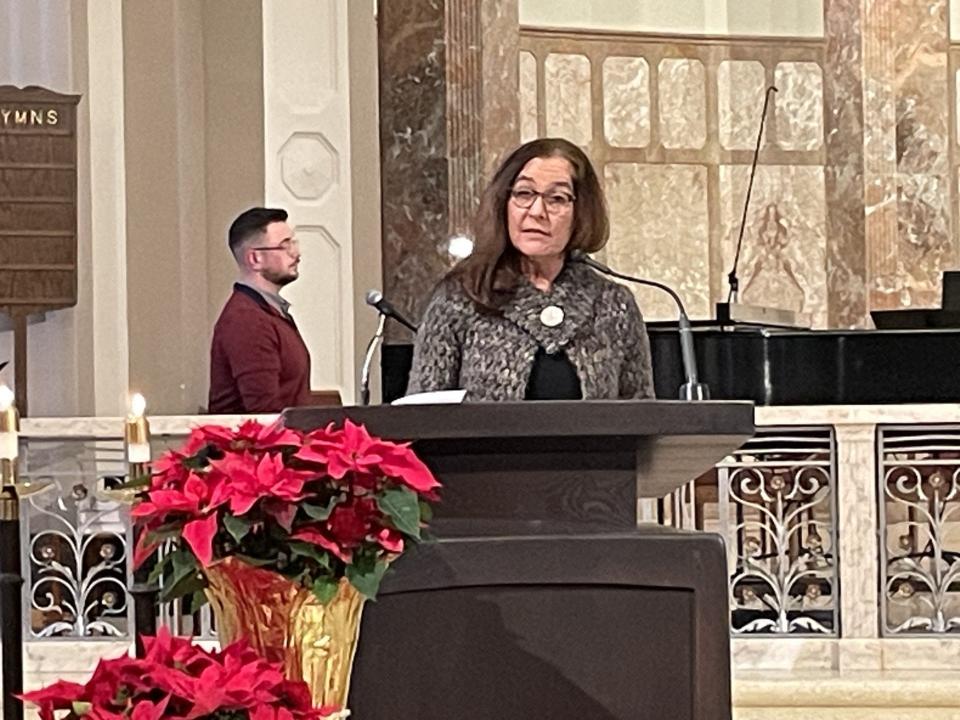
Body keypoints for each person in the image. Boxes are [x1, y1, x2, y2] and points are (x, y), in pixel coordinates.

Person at [407, 137, 654, 401]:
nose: (537, 211)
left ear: (581, 212)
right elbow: (423, 412)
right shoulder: (460, 296)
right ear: (504, 203)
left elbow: (640, 416)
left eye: (556, 198)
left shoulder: (613, 304)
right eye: (524, 194)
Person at [208, 207, 311, 413]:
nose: (296, 254)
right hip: (258, 444)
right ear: (254, 259)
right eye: (285, 246)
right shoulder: (246, 320)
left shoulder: (266, 312)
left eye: (294, 243)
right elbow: (265, 412)